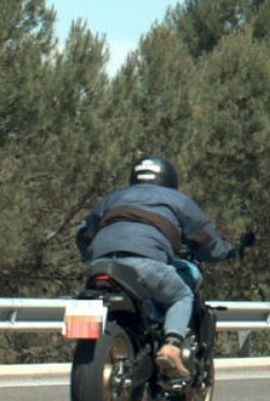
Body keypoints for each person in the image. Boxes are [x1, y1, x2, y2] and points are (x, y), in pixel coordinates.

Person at [76, 155, 233, 379]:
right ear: (170, 178)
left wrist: (93, 255)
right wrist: (227, 252)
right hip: (145, 263)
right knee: (181, 296)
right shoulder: (178, 199)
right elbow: (207, 242)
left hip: (102, 265)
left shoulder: (113, 198)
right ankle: (171, 345)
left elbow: (84, 233)